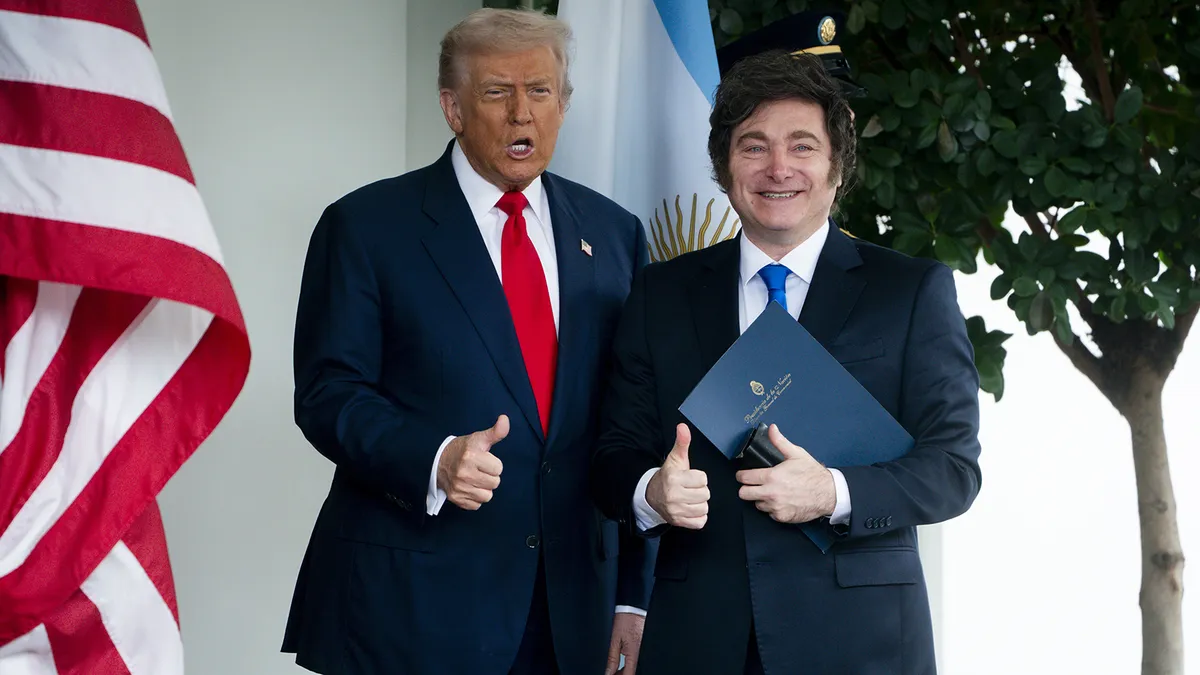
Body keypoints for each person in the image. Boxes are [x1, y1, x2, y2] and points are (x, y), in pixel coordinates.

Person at [589, 13, 982, 675]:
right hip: (700, 639)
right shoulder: (661, 293)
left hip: (860, 643)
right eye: (754, 146)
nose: (778, 168)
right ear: (724, 166)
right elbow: (610, 457)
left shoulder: (910, 291)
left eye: (802, 146)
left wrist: (833, 491)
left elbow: (953, 469)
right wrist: (651, 490)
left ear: (836, 164)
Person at [282, 8, 653, 675]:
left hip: (573, 608)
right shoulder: (366, 226)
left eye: (540, 91)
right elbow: (328, 392)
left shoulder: (614, 232)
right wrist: (433, 458)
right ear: (453, 108)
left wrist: (634, 595)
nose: (522, 114)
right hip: (414, 606)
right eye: (497, 92)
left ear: (564, 105)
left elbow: (633, 418)